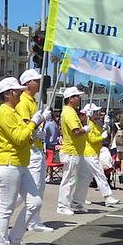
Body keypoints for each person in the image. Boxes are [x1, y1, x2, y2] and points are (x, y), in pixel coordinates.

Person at [0, 77, 45, 245]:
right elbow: (18, 138)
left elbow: (24, 138)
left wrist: (34, 133)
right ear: (7, 94)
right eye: (17, 90)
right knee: (6, 209)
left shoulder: (12, 111)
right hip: (9, 164)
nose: (20, 92)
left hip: (20, 164)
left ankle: (14, 240)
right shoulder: (5, 112)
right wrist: (34, 123)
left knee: (35, 202)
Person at [17, 70, 52, 233]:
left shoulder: (32, 101)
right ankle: (33, 222)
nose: (39, 83)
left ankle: (31, 219)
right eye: (36, 80)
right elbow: (27, 125)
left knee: (39, 187)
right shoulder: (23, 101)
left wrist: (40, 129)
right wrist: (41, 120)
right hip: (30, 150)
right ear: (27, 83)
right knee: (35, 187)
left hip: (37, 148)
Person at [57, 87, 91, 216]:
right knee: (69, 179)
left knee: (84, 175)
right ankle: (62, 205)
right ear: (70, 98)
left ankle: (76, 202)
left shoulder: (71, 112)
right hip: (71, 151)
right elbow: (76, 132)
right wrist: (86, 129)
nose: (79, 98)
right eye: (77, 96)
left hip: (77, 151)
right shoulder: (69, 112)